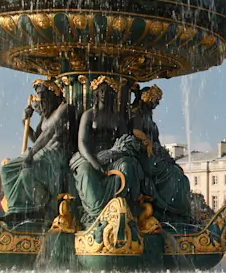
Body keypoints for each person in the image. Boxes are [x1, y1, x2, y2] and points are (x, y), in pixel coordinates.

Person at [0, 78, 76, 225]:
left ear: (54, 94)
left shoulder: (65, 109)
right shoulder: (45, 118)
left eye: (43, 96)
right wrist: (25, 122)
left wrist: (30, 154)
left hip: (57, 154)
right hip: (42, 153)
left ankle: (41, 208)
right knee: (6, 169)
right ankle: (15, 210)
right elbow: (37, 139)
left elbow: (48, 133)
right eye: (39, 96)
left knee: (27, 173)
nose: (40, 101)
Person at [70, 76, 145, 225]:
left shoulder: (118, 118)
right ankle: (95, 212)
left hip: (114, 157)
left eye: (108, 91)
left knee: (128, 165)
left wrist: (113, 153)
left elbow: (126, 141)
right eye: (101, 91)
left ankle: (119, 208)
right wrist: (94, 162)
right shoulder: (89, 115)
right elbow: (82, 143)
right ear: (96, 93)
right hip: (89, 156)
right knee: (85, 171)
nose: (104, 94)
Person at [131, 85, 193, 223]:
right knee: (174, 175)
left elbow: (157, 142)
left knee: (180, 175)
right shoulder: (136, 114)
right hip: (142, 155)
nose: (157, 104)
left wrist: (168, 158)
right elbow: (135, 130)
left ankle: (177, 214)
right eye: (155, 100)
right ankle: (167, 210)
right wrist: (146, 141)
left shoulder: (149, 118)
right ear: (147, 98)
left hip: (154, 155)